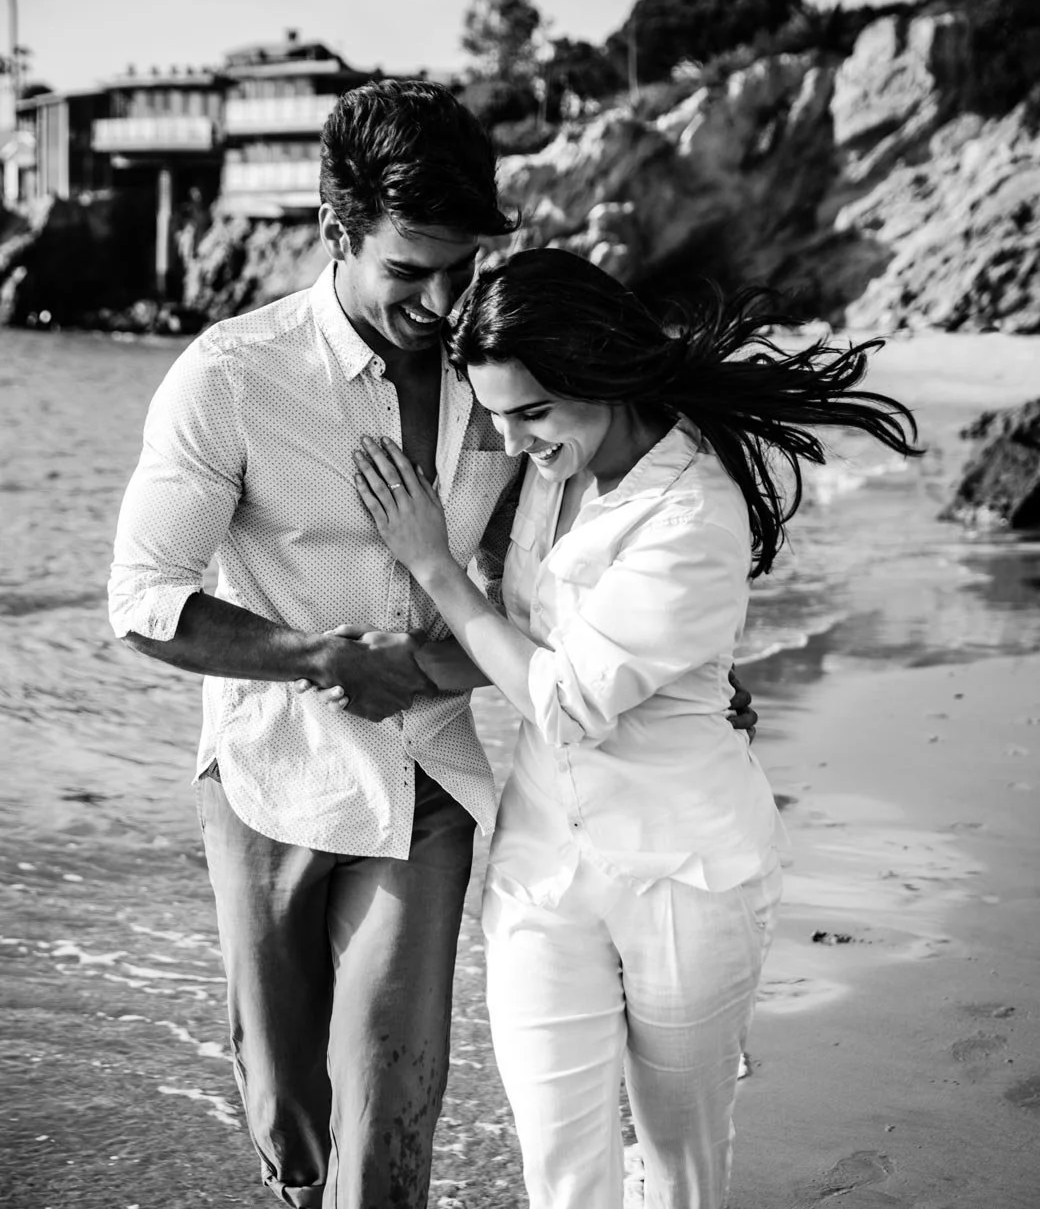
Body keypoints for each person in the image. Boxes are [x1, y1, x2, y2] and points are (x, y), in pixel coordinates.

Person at [107, 76, 757, 1208]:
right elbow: (143, 599)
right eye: (410, 271)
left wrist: (688, 658)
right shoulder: (230, 377)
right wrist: (321, 659)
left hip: (431, 782)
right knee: (288, 1114)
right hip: (272, 775)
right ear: (334, 232)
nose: (441, 300)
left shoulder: (496, 366)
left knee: (388, 1112)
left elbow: (568, 549)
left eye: (459, 268)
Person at [343, 247, 923, 1209]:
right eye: (499, 418)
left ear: (600, 373)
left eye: (535, 414)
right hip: (543, 865)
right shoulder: (548, 473)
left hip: (686, 875)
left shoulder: (695, 508)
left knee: (680, 1160)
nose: (519, 441)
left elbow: (568, 694)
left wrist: (434, 566)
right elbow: (521, 642)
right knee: (561, 1174)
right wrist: (372, 665)